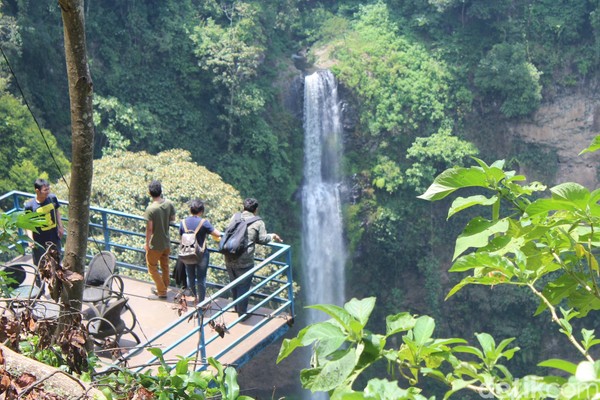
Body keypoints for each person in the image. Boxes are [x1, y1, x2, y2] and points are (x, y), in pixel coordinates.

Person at [224, 197, 282, 319]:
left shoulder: (235, 217)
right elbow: (262, 239)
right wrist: (272, 236)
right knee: (243, 287)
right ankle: (242, 314)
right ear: (256, 209)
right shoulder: (258, 222)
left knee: (234, 283)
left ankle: (236, 307)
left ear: (243, 207)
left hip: (229, 256)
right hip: (245, 260)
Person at [179, 199, 221, 304]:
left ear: (190, 210)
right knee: (201, 278)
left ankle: (193, 299)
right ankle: (201, 302)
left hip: (188, 252)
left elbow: (181, 235)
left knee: (190, 276)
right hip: (201, 254)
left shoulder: (183, 222)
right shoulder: (204, 222)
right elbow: (217, 234)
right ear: (201, 211)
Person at [24, 179, 64, 286]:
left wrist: (60, 226)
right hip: (39, 240)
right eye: (45, 190)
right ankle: (40, 290)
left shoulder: (52, 198)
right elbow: (28, 224)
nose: (48, 192)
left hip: (54, 237)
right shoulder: (30, 206)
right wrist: (30, 239)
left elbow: (57, 211)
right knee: (39, 266)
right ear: (37, 191)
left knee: (56, 262)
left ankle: (57, 286)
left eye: (48, 189)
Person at [144, 180, 176, 300]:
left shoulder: (150, 209)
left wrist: (147, 244)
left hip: (155, 244)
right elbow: (172, 218)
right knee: (165, 265)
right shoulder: (168, 203)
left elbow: (149, 229)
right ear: (161, 191)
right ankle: (163, 286)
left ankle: (162, 291)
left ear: (149, 193)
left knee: (152, 267)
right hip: (166, 242)